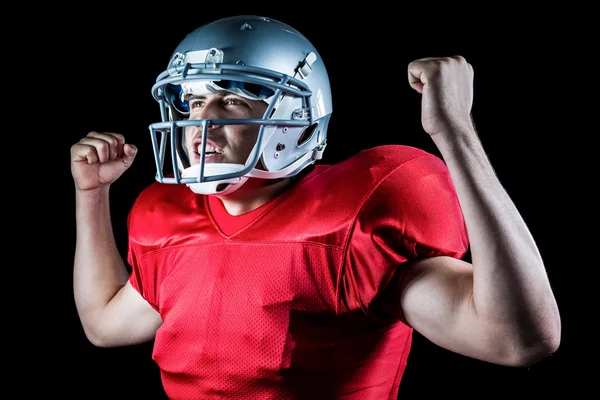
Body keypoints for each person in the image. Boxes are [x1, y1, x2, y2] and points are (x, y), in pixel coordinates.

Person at [70, 15, 561, 400]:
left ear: (294, 118)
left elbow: (517, 339)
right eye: (192, 102)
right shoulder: (172, 221)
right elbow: (104, 324)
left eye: (232, 102)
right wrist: (92, 197)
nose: (202, 122)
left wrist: (454, 133)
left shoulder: (354, 220)